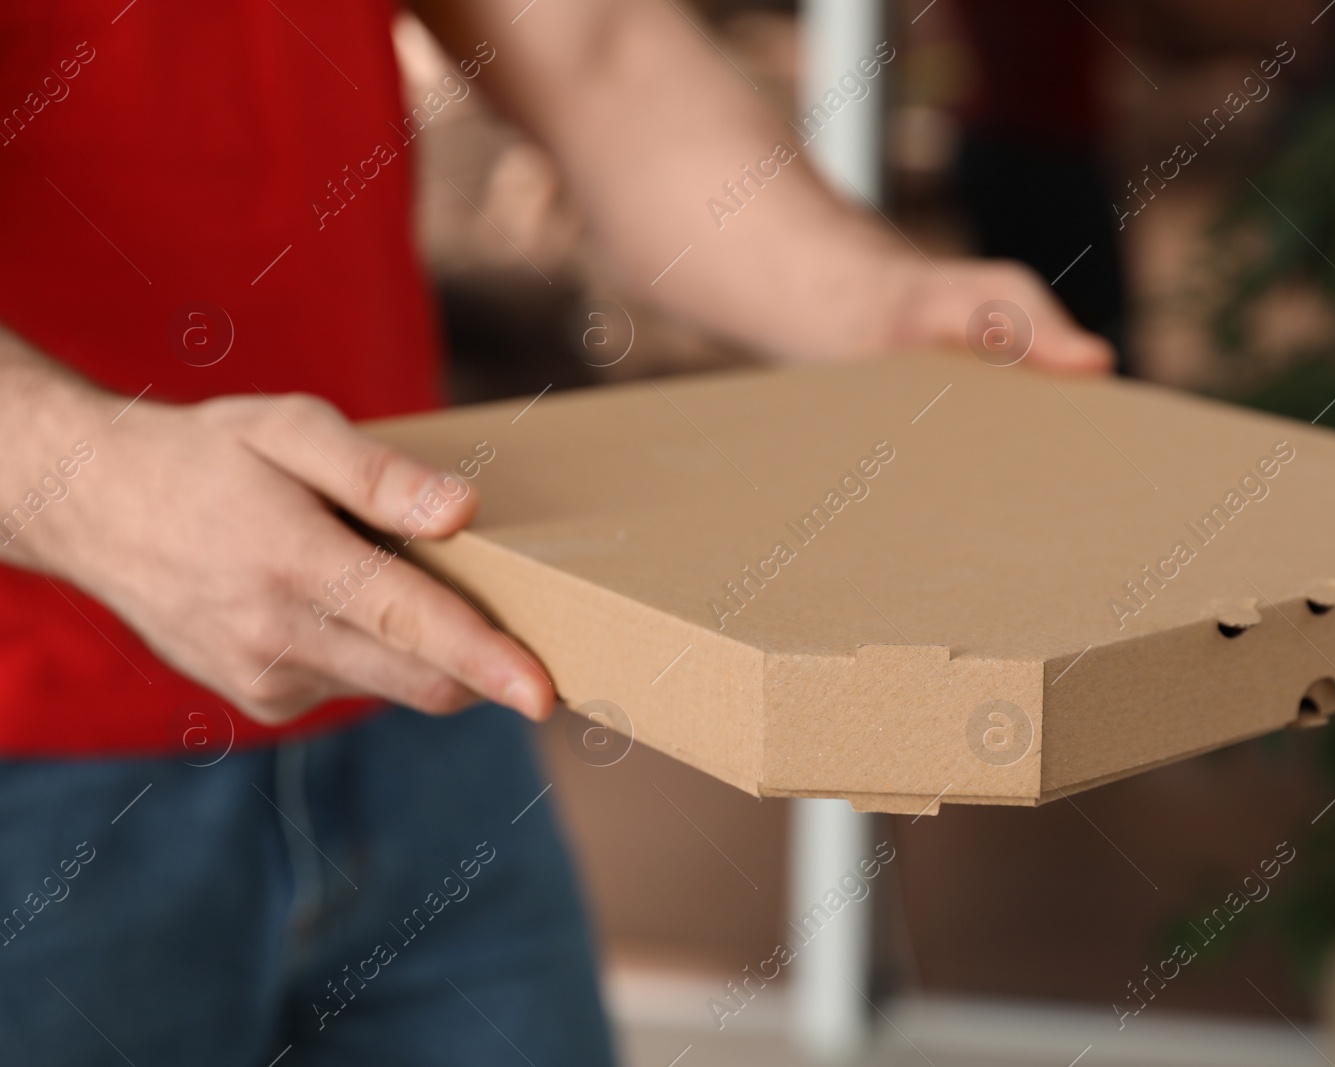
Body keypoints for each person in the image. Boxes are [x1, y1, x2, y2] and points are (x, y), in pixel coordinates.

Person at [0, 1, 1109, 1063]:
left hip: (423, 687)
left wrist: (871, 296)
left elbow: (594, 50)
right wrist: (96, 488)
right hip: (35, 780)